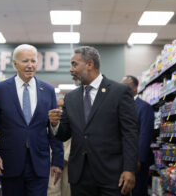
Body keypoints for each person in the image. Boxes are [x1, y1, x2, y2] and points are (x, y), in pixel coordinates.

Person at [48, 46, 139, 196]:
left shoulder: (119, 92)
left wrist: (129, 169)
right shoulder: (70, 98)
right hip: (80, 177)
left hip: (112, 175)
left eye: (74, 64)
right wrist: (55, 124)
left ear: (90, 64)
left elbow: (130, 133)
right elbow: (64, 134)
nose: (71, 69)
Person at [0, 44, 64, 196]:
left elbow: (54, 128)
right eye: (25, 61)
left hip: (39, 164)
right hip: (10, 164)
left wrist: (58, 161)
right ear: (15, 64)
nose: (30, 65)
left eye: (33, 61)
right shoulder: (0, 90)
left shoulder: (47, 91)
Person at [122, 75, 155, 196]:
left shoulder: (144, 107)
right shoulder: (121, 106)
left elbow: (145, 135)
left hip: (138, 161)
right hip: (123, 158)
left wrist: (139, 159)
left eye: (125, 86)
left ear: (135, 88)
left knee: (138, 190)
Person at [47, 98, 71, 196]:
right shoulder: (49, 123)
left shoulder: (70, 122)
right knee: (53, 190)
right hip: (51, 164)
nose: (59, 109)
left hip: (67, 164)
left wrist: (62, 158)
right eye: (57, 106)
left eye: (62, 106)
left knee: (66, 190)